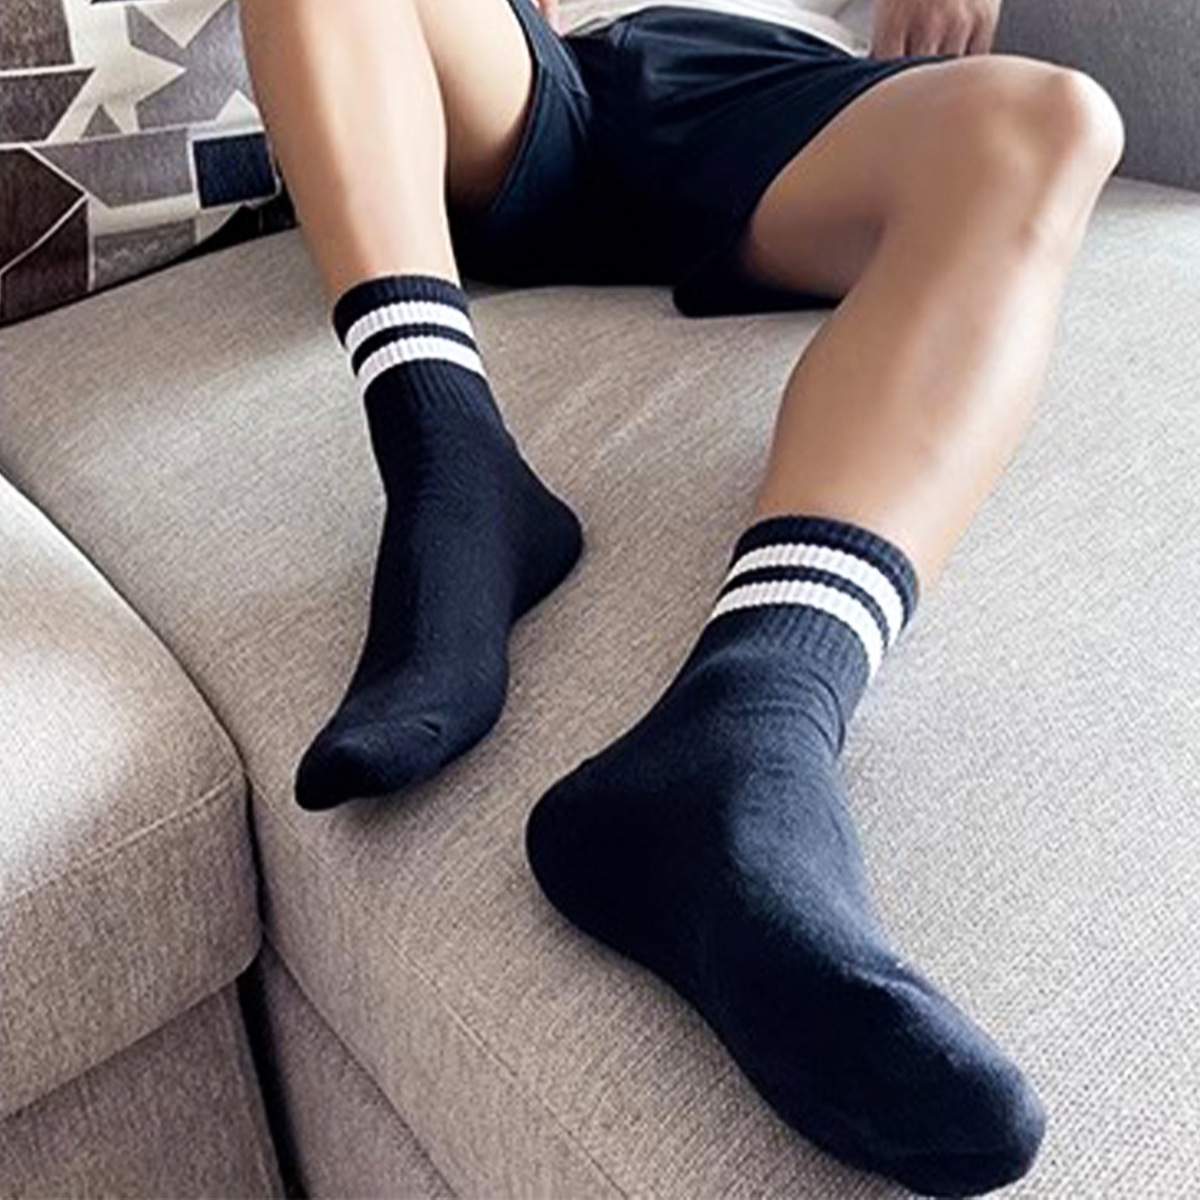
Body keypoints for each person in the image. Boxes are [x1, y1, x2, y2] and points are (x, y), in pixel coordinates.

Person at [238, 0, 1124, 1191]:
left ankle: (753, 718)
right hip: (523, 76)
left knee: (1058, 115)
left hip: (772, 87)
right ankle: (453, 471)